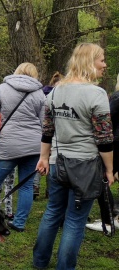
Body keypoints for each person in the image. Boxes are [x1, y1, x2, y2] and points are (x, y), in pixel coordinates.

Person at [33, 43, 113, 269]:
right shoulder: (97, 94)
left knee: (52, 212)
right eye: (102, 60)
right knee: (75, 220)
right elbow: (104, 138)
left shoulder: (57, 90)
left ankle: (39, 262)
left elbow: (47, 130)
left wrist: (44, 157)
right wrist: (109, 169)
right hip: (85, 166)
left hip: (57, 163)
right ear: (89, 62)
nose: (105, 65)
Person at [0, 62, 44, 232]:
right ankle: (20, 222)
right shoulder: (39, 94)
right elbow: (45, 122)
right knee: (27, 185)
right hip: (33, 146)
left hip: (8, 145)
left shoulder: (2, 89)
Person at [85, 72, 119, 232]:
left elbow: (105, 121)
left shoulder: (117, 97)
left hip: (115, 143)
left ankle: (108, 220)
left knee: (103, 179)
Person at [33, 71, 64, 199]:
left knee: (41, 159)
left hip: (42, 133)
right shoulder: (59, 96)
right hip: (55, 133)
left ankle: (35, 187)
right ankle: (50, 190)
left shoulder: (43, 94)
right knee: (51, 162)